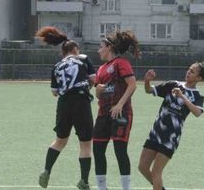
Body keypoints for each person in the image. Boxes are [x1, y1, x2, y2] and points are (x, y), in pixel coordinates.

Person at [35, 26, 96, 190]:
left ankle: (46, 170)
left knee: (60, 140)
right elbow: (94, 79)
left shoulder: (57, 65)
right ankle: (84, 181)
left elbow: (54, 92)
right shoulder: (83, 59)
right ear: (75, 49)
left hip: (63, 103)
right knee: (85, 143)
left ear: (63, 52)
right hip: (81, 102)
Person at [138, 62, 204, 190]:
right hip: (156, 133)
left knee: (156, 172)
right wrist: (147, 81)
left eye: (192, 72)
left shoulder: (197, 96)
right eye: (189, 69)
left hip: (170, 138)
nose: (188, 72)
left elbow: (197, 112)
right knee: (142, 167)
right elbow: (149, 90)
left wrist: (182, 96)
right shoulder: (172, 84)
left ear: (199, 78)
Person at [93, 30, 140, 190]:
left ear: (109, 47)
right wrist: (98, 90)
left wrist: (120, 104)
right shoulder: (101, 69)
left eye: (101, 47)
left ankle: (126, 188)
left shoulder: (121, 63)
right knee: (98, 150)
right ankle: (102, 188)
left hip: (121, 113)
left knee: (120, 151)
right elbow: (99, 94)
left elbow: (132, 84)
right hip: (102, 114)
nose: (98, 50)